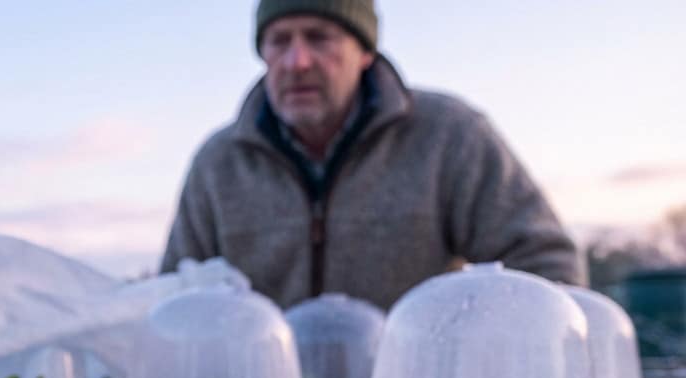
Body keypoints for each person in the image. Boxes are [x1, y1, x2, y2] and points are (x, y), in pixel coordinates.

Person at [161, 0, 586, 309]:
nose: (297, 61)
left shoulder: (449, 136)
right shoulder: (219, 164)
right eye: (278, 41)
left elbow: (545, 264)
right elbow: (171, 300)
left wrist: (473, 373)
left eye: (319, 37)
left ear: (364, 52)